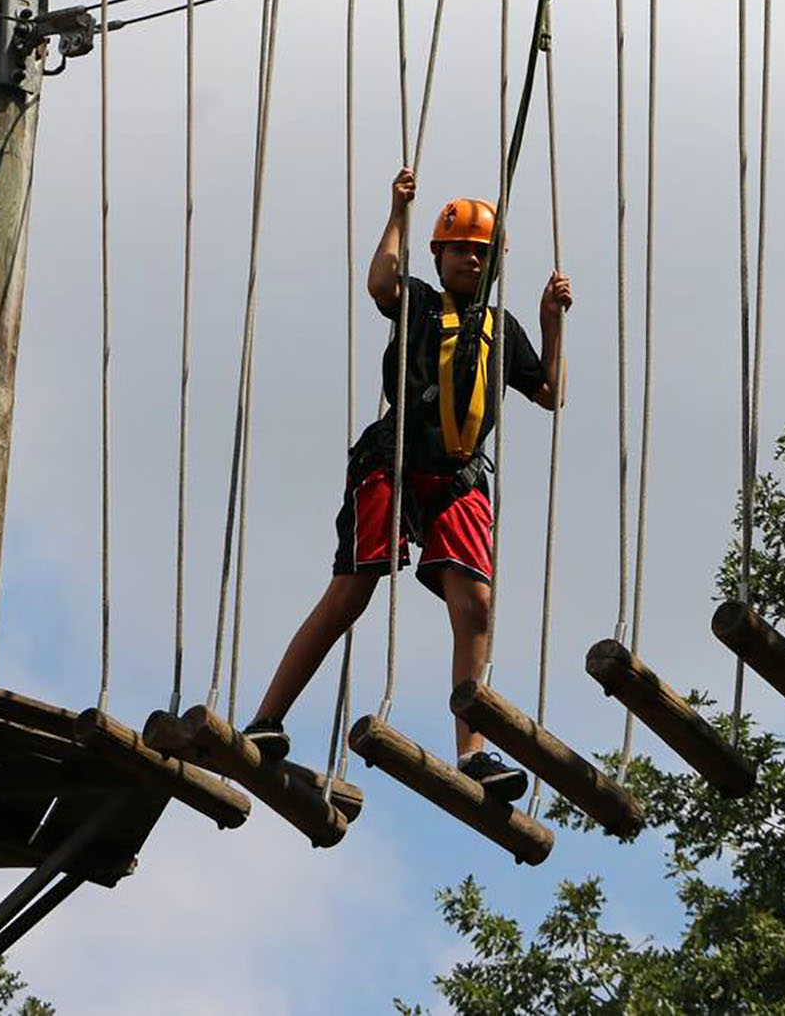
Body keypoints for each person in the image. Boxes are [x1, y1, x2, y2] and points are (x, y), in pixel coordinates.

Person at [242, 166, 570, 801]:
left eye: (481, 253)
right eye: (459, 250)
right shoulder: (419, 301)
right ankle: (267, 718)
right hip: (392, 462)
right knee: (352, 591)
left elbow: (550, 392)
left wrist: (549, 319)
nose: (470, 261)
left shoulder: (501, 328)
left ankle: (472, 753)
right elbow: (380, 284)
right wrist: (397, 212)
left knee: (475, 607)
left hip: (456, 478)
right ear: (437, 255)